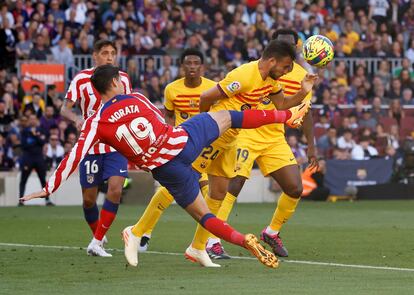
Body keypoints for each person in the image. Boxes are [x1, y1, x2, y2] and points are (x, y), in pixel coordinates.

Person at [22, 64, 311, 269]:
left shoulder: (95, 123)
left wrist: (47, 188)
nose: (124, 82)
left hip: (167, 166)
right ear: (114, 84)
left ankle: (242, 240)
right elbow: (160, 120)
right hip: (184, 139)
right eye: (120, 79)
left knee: (204, 214)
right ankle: (286, 116)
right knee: (230, 118)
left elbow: (73, 157)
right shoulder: (136, 97)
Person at [132, 39, 317, 266]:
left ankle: (197, 248)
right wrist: (205, 129)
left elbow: (282, 105)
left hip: (232, 138)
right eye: (286, 66)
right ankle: (137, 231)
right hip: (214, 135)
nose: (287, 71)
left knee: (218, 193)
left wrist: (303, 91)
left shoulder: (271, 80)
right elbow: (206, 97)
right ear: (271, 60)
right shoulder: (244, 75)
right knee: (178, 182)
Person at [202, 29, 318, 259]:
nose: (287, 63)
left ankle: (272, 232)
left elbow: (300, 109)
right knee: (234, 183)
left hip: (274, 136)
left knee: (295, 187)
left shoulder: (298, 74)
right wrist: (203, 124)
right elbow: (213, 96)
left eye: (291, 48)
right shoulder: (253, 72)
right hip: (245, 131)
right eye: (281, 46)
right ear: (273, 50)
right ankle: (211, 240)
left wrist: (311, 144)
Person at [130, 48, 216, 253]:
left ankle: (143, 232)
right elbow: (169, 116)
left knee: (206, 191)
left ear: (202, 67)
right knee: (194, 191)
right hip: (182, 148)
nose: (192, 67)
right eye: (189, 63)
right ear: (182, 66)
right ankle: (209, 242)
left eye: (196, 63)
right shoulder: (172, 89)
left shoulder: (213, 88)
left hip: (206, 148)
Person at [60, 40, 132, 257]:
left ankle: (97, 241)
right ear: (95, 56)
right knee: (89, 199)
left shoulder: (124, 78)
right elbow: (65, 108)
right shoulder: (82, 79)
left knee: (116, 189)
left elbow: (128, 105)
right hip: (90, 145)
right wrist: (76, 118)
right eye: (104, 53)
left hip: (115, 143)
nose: (109, 57)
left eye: (112, 53)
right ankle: (98, 234)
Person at [19, 114, 53, 206]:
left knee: (43, 179)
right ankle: (21, 200)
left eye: (34, 119)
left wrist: (35, 136)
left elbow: (42, 142)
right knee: (23, 180)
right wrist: (36, 139)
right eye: (31, 119)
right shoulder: (25, 131)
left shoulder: (41, 130)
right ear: (29, 120)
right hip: (28, 158)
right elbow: (23, 145)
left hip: (38, 158)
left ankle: (47, 200)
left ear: (36, 120)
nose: (33, 120)